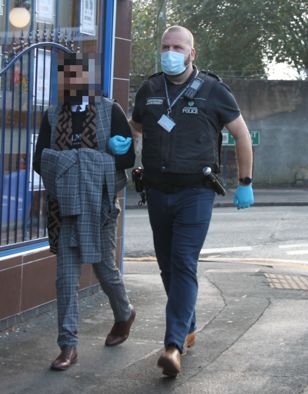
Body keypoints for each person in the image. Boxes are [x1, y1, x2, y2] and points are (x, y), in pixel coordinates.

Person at [129, 25, 254, 377]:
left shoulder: (214, 91)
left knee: (183, 261)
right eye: (165, 45)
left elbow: (241, 135)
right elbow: (136, 126)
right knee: (168, 266)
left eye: (178, 46)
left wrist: (245, 182)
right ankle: (189, 324)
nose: (170, 51)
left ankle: (173, 344)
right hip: (155, 191)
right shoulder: (150, 89)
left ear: (191, 53)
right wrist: (125, 142)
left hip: (195, 192)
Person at [33, 52, 136, 371]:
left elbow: (129, 159)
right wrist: (78, 164)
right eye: (67, 76)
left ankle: (124, 313)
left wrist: (91, 160)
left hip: (101, 206)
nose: (72, 82)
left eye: (79, 75)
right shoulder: (53, 115)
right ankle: (68, 346)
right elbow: (41, 161)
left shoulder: (110, 111)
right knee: (65, 279)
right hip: (64, 208)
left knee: (105, 270)